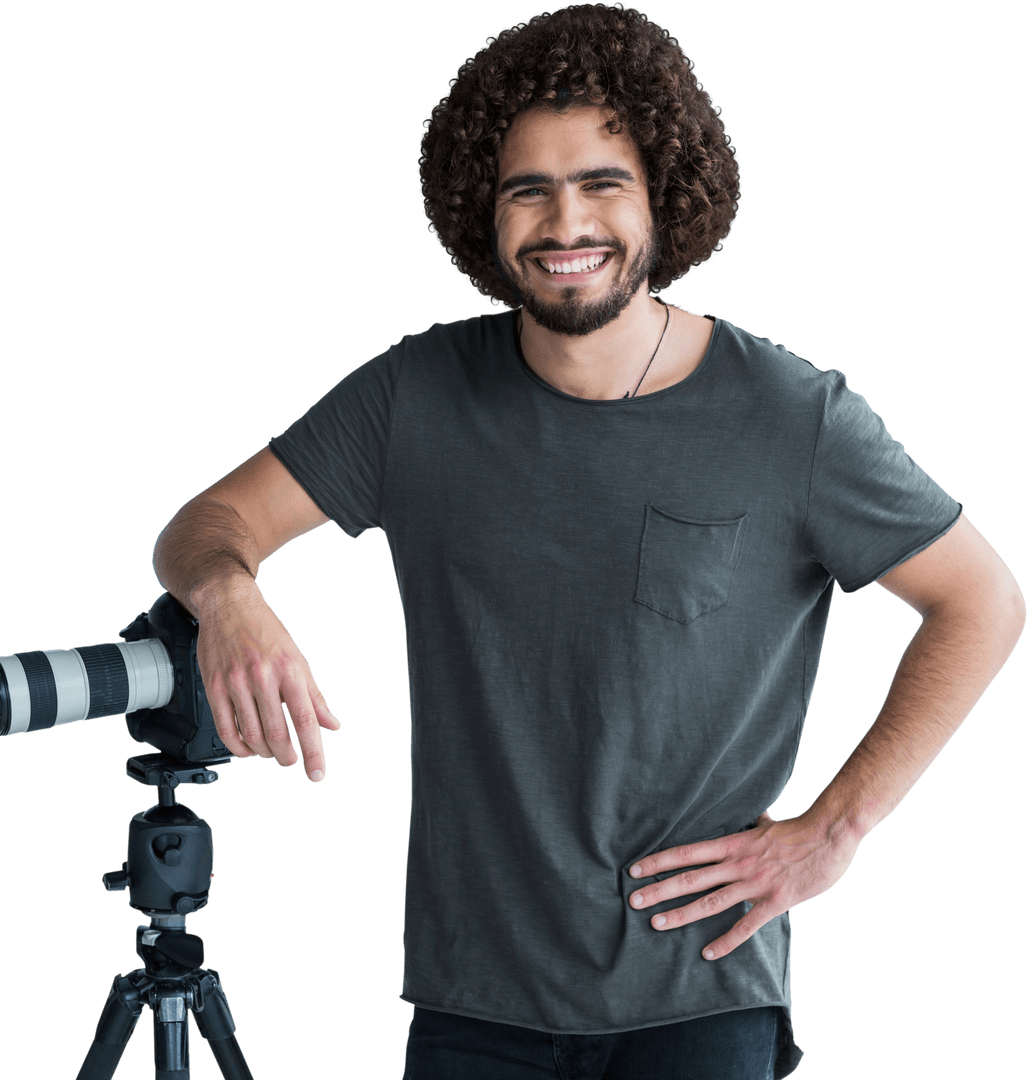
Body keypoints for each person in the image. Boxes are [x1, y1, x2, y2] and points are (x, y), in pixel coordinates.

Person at [152, 5, 1023, 1078]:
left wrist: (832, 831)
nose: (565, 224)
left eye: (602, 183)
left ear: (664, 196)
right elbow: (206, 525)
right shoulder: (414, 395)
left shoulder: (791, 416)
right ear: (485, 211)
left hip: (698, 995)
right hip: (473, 1000)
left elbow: (982, 600)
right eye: (528, 189)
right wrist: (229, 600)